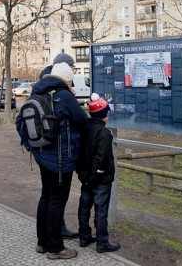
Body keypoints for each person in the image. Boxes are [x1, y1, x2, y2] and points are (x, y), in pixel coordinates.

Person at [31, 60, 89, 260]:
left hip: (42, 154)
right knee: (57, 200)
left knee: (46, 196)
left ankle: (42, 242)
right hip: (60, 157)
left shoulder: (38, 91)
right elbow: (82, 120)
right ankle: (55, 248)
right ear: (67, 79)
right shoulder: (64, 95)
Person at [77, 94, 121, 253]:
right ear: (104, 115)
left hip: (85, 177)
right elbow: (101, 158)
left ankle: (84, 236)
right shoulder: (105, 134)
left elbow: (80, 153)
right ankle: (102, 242)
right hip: (100, 179)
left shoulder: (84, 129)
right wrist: (94, 177)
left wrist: (84, 176)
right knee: (101, 210)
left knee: (84, 207)